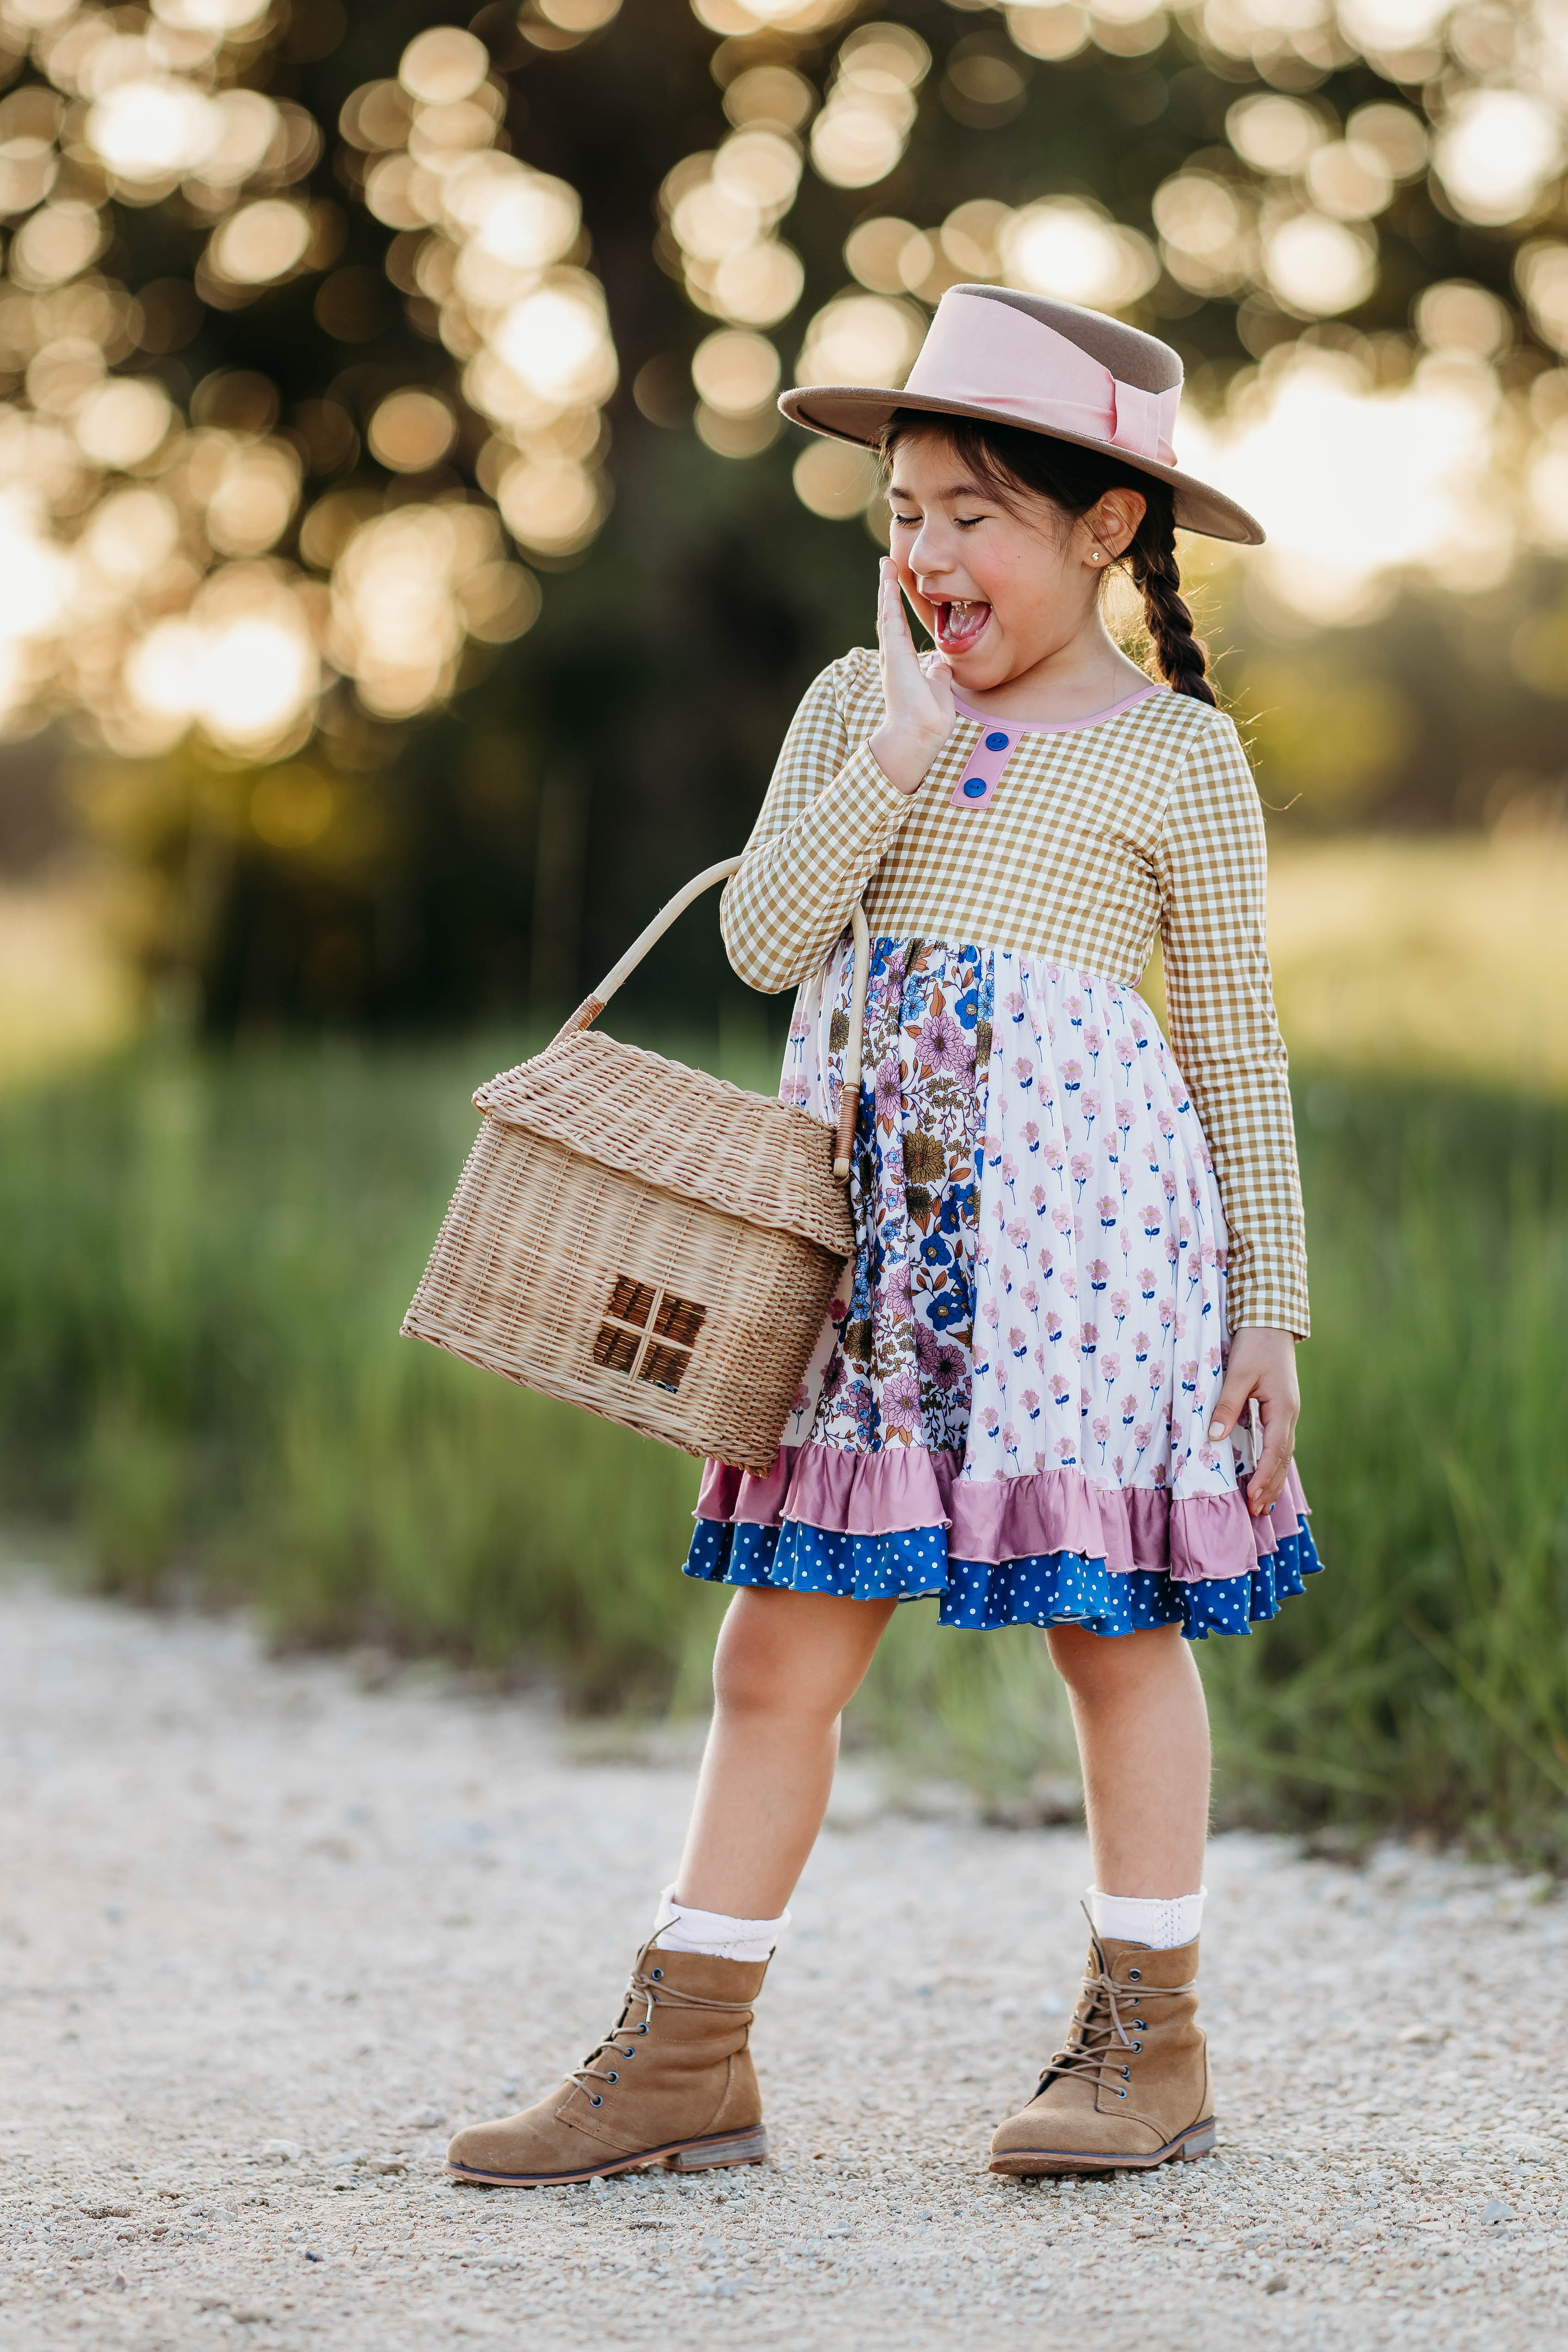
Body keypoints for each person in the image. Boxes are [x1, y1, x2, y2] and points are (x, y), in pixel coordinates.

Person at [446, 287, 1321, 2188]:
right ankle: (686, 2054)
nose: (925, 553)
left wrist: (1272, 1308)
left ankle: (1143, 2042)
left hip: (1091, 1279)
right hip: (862, 1276)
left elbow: (1238, 1047)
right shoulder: (860, 709)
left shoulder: (1176, 759)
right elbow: (765, 944)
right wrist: (898, 754)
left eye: (972, 515)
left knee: (1115, 1639)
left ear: (1104, 530)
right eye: (902, 512)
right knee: (777, 1653)